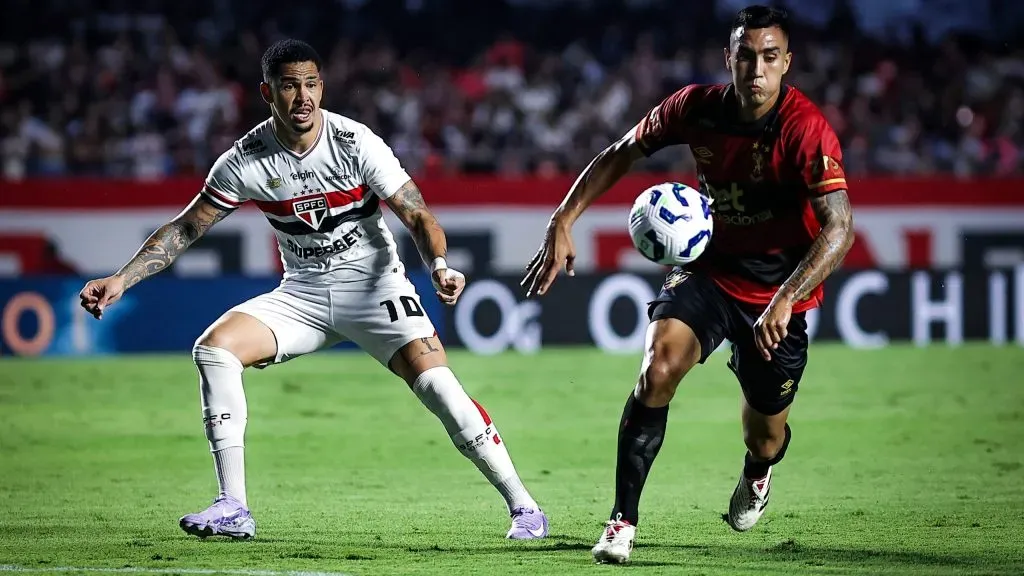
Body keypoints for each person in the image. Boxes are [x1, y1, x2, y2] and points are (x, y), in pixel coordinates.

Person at [79, 39, 548, 541]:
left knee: (439, 388)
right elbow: (185, 229)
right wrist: (121, 279)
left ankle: (524, 508)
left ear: (321, 87)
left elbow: (417, 212)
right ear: (267, 92)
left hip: (376, 290)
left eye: (311, 84)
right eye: (289, 86)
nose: (303, 97)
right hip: (301, 295)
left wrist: (438, 265)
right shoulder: (246, 160)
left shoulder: (355, 141)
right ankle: (233, 506)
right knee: (213, 351)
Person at [521, 5, 853, 564]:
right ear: (729, 58)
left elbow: (840, 227)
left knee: (765, 436)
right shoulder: (695, 108)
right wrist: (564, 218)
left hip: (779, 292)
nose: (756, 69)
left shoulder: (805, 129)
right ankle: (622, 522)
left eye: (769, 57)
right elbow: (622, 152)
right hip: (709, 270)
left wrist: (788, 297)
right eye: (745, 56)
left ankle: (757, 473)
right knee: (658, 369)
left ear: (786, 63)